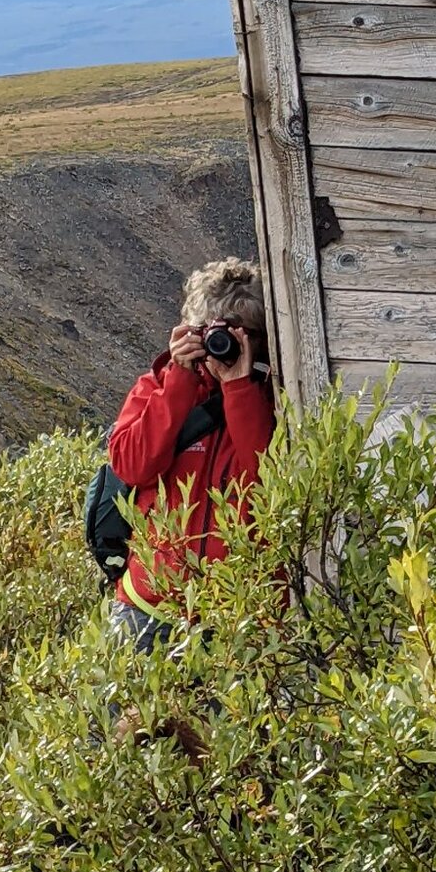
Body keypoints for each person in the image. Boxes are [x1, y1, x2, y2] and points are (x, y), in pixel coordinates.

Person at [107, 256, 275, 655]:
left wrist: (240, 391)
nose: (222, 345)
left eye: (237, 334)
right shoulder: (160, 386)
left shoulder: (274, 400)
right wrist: (179, 381)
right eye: (209, 333)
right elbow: (131, 465)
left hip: (235, 617)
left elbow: (271, 483)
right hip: (148, 606)